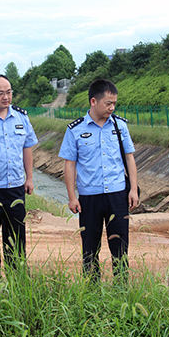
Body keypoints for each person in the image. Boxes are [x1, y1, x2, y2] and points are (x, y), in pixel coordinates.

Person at [59, 79, 139, 282]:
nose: (112, 107)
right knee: (90, 246)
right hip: (89, 197)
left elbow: (129, 158)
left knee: (120, 246)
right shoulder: (75, 129)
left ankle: (121, 288)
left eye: (114, 103)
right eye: (108, 103)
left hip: (117, 194)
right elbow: (70, 164)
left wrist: (133, 190)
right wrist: (71, 196)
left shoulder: (120, 126)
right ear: (93, 101)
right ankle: (92, 288)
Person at [0, 74, 38, 281]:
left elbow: (27, 148)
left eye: (9, 92)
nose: (6, 97)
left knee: (16, 238)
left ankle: (17, 279)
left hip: (14, 187)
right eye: (0, 93)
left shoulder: (21, 117)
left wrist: (29, 178)